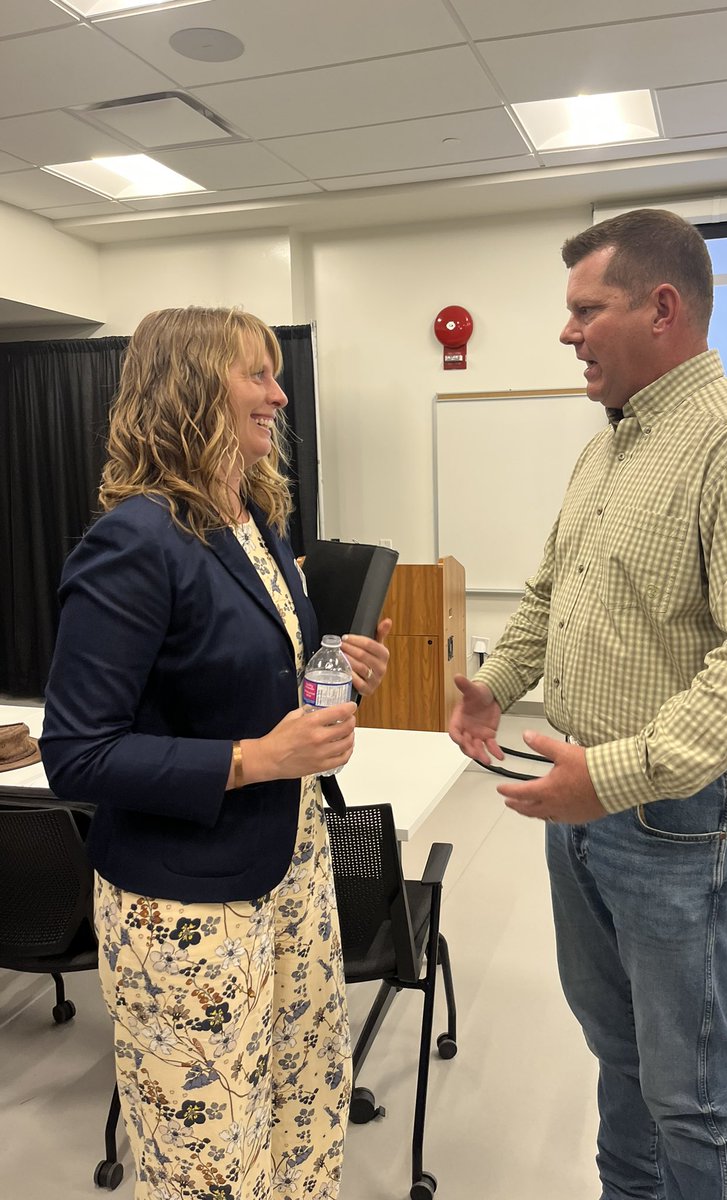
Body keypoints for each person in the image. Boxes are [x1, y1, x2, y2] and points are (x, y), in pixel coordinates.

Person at [450, 209, 727, 1200]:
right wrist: (491, 687)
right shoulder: (604, 453)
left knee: (692, 1093)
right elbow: (548, 599)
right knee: (622, 1061)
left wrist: (611, 778)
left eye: (587, 309)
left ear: (662, 308)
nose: (567, 332)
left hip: (684, 821)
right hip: (578, 801)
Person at [41, 306, 391, 1200]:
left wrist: (332, 669)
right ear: (193, 387)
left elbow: (239, 671)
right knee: (212, 1166)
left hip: (291, 868)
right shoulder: (135, 539)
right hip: (187, 907)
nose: (279, 393)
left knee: (304, 1107)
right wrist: (251, 759)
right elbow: (77, 754)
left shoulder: (251, 521)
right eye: (256, 374)